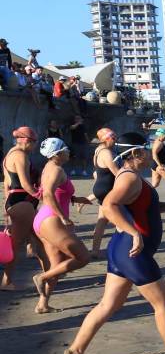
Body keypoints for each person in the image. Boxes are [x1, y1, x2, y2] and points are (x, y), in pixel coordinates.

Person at [63, 132, 165, 354]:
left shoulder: (133, 177)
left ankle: (76, 350)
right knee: (163, 302)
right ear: (136, 154)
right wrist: (135, 233)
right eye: (146, 149)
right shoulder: (128, 179)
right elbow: (108, 206)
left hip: (122, 250)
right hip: (132, 252)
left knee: (108, 305)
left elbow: (145, 209)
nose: (151, 154)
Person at [31, 138, 91, 313]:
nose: (68, 152)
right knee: (83, 258)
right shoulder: (56, 170)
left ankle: (43, 304)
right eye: (65, 150)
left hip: (42, 219)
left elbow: (52, 193)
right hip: (52, 220)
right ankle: (42, 277)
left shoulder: (49, 168)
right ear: (57, 154)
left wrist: (73, 199)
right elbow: (48, 194)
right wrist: (63, 217)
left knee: (57, 264)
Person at [1, 127, 44, 290]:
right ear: (26, 140)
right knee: (17, 244)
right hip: (23, 201)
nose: (35, 146)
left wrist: (8, 207)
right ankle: (6, 281)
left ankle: (50, 273)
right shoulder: (21, 156)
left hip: (14, 201)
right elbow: (25, 184)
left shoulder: (9, 154)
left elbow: (6, 184)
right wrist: (42, 196)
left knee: (37, 240)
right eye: (34, 142)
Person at [89, 128, 120, 257]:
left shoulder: (98, 150)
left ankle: (95, 250)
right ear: (106, 139)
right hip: (107, 190)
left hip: (101, 187)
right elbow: (116, 172)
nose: (115, 140)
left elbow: (96, 171)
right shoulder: (106, 153)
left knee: (102, 221)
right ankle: (123, 247)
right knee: (121, 219)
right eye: (113, 138)